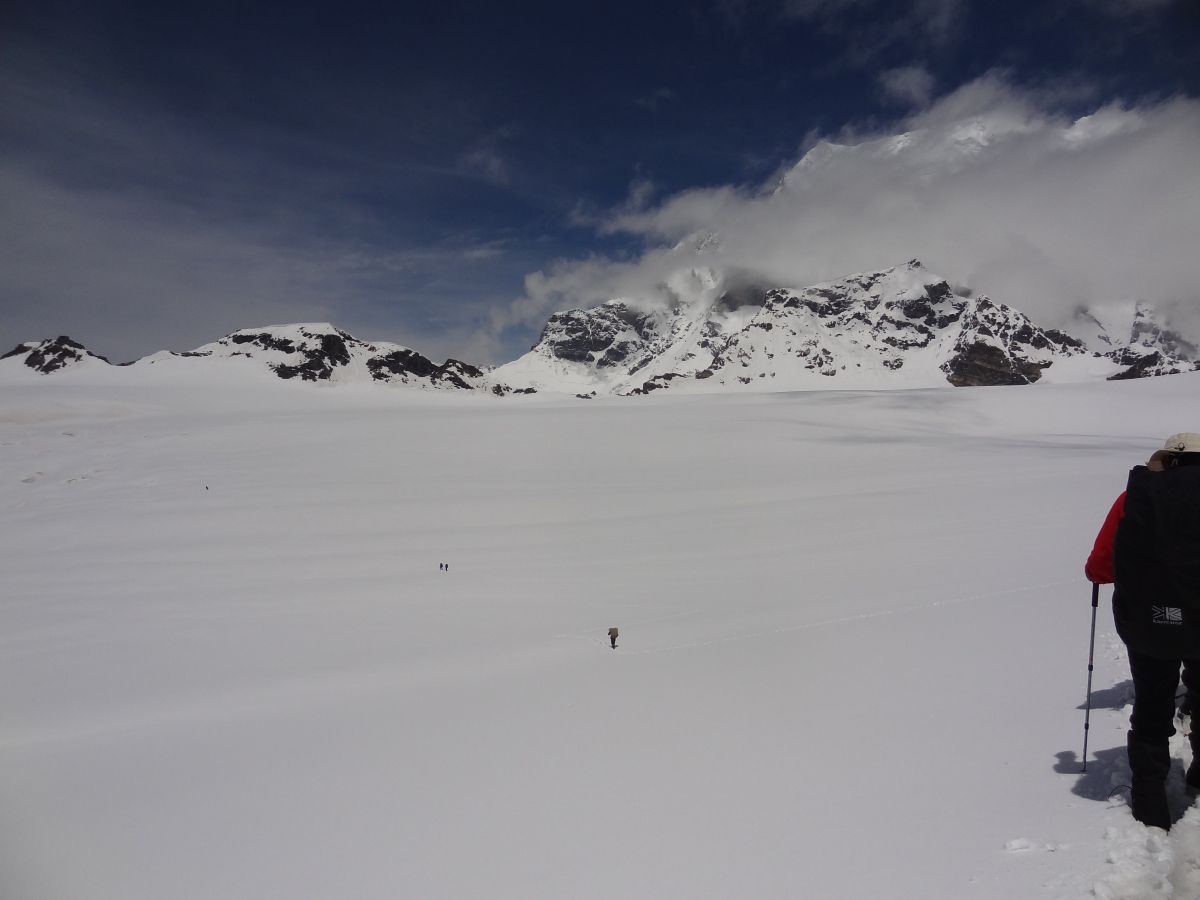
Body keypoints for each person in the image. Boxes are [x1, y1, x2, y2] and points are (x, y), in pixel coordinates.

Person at [1086, 433, 1200, 830]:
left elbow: (1101, 566)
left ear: (1167, 460)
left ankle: (1150, 807)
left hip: (1150, 623)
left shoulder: (1135, 496)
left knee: (1152, 707)